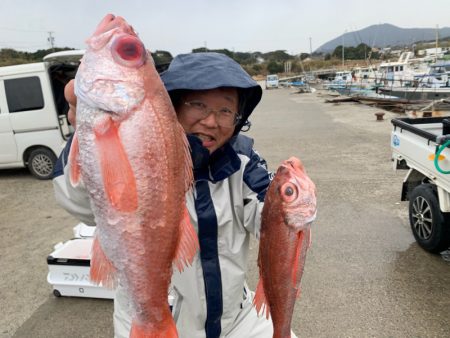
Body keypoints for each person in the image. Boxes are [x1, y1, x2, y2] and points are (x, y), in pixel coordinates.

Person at [53, 52, 298, 338]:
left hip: (237, 319)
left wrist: (291, 205)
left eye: (225, 111)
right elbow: (79, 201)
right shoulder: (134, 153)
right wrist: (86, 140)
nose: (211, 121)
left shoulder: (242, 160)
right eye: (198, 105)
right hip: (151, 318)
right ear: (173, 105)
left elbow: (267, 215)